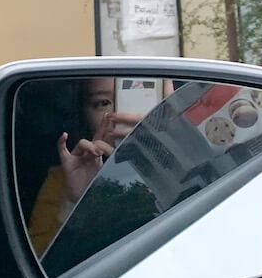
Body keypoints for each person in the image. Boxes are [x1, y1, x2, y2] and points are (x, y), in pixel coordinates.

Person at [28, 77, 171, 257]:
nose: (120, 112)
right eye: (103, 102)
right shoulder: (63, 178)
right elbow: (36, 260)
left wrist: (173, 150)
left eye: (139, 96)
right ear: (83, 115)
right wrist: (77, 201)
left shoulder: (183, 163)